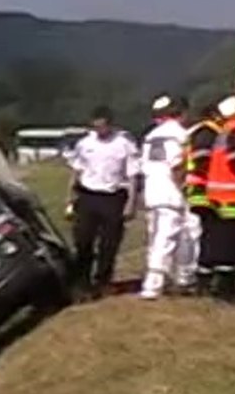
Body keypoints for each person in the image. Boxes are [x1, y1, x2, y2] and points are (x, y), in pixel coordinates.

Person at [65, 105, 140, 300]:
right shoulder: (85, 143)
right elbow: (77, 170)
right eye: (96, 127)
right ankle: (82, 282)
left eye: (103, 127)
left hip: (113, 197)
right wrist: (70, 196)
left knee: (109, 244)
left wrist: (131, 202)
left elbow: (132, 176)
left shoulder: (124, 143)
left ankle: (103, 281)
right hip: (88, 196)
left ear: (110, 124)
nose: (99, 131)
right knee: (83, 241)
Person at [138, 94, 194, 300]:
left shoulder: (151, 135)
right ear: (182, 113)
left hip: (152, 191)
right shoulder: (180, 134)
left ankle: (173, 279)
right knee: (168, 238)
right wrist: (183, 187)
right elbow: (177, 165)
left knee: (155, 237)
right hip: (170, 192)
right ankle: (154, 284)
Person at [204, 95, 235, 302]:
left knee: (220, 241)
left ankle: (219, 285)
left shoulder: (226, 129)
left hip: (220, 194)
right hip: (233, 195)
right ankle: (226, 290)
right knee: (230, 244)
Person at [182, 102, 224, 295]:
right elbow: (202, 160)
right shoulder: (206, 132)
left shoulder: (207, 131)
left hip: (204, 189)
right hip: (202, 191)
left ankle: (204, 276)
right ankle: (203, 279)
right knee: (208, 235)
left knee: (208, 234)